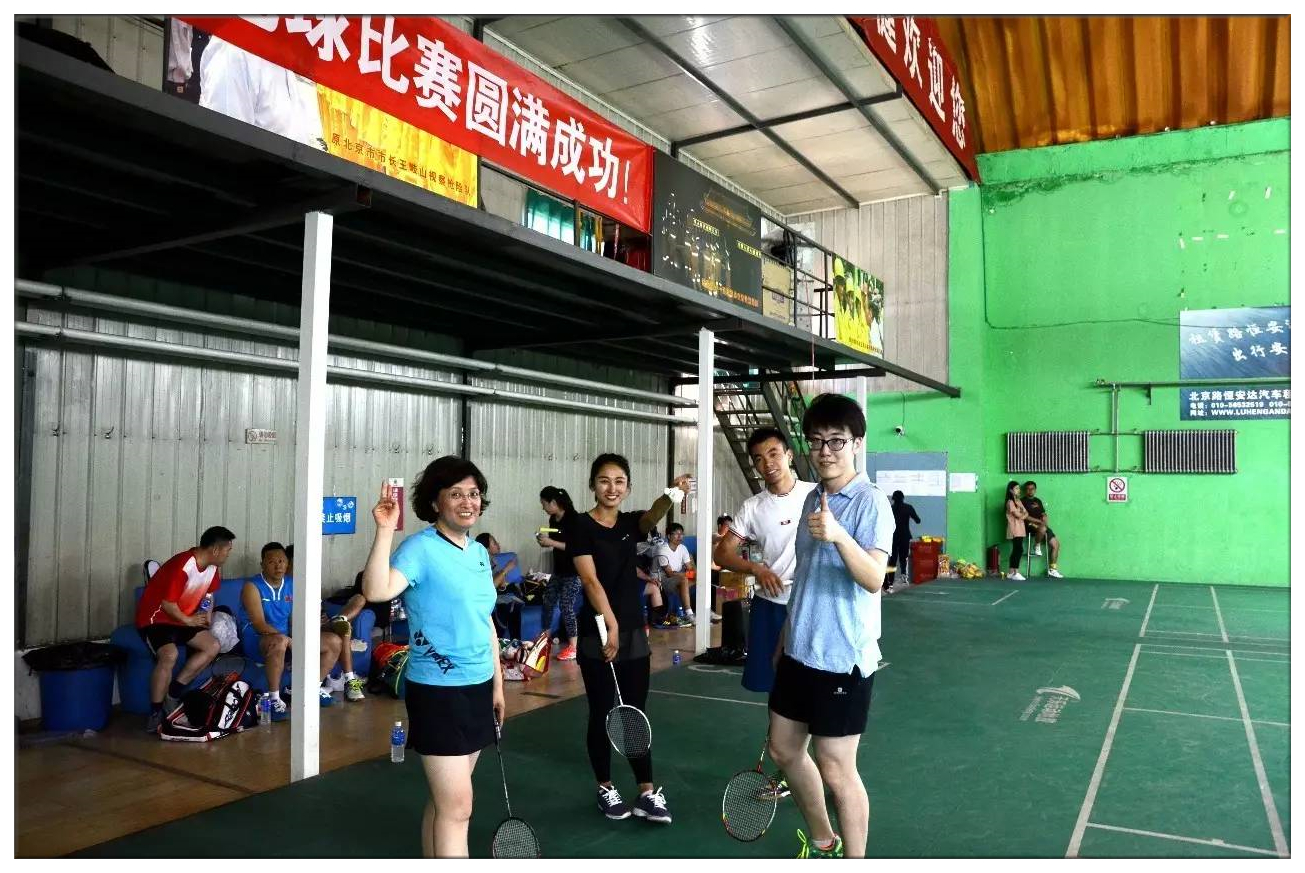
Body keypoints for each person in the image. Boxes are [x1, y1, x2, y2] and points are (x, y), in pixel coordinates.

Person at [766, 394, 893, 859]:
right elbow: (806, 575)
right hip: (800, 650)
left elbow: (874, 578)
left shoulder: (871, 502)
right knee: (783, 750)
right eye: (816, 441)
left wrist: (839, 535)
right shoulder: (811, 498)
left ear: (856, 443)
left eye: (836, 441)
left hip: (842, 658)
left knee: (837, 769)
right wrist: (786, 636)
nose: (825, 451)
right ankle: (824, 840)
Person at [362, 457, 504, 859]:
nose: (467, 502)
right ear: (435, 502)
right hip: (439, 692)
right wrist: (385, 530)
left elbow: (485, 622)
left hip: (478, 687)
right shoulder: (420, 549)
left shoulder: (478, 552)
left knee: (447, 804)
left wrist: (497, 685)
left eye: (473, 494)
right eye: (455, 494)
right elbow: (376, 590)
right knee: (458, 809)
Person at [570, 453, 690, 824]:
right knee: (602, 711)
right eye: (604, 480)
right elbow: (590, 580)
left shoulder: (629, 523)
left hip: (634, 631)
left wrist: (672, 493)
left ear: (628, 487)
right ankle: (605, 787)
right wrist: (610, 624)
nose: (612, 488)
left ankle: (646, 793)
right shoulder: (579, 526)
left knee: (635, 713)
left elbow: (652, 515)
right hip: (598, 629)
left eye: (619, 481)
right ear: (593, 485)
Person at [713, 426, 818, 801]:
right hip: (769, 609)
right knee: (776, 690)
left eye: (773, 454)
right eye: (758, 458)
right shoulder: (753, 508)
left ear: (788, 455)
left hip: (810, 608)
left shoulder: (816, 495)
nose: (767, 463)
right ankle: (788, 765)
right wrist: (756, 569)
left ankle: (806, 767)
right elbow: (722, 553)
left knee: (811, 688)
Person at [241, 542, 363, 715]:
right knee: (279, 641)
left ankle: (312, 689)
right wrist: (288, 640)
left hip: (287, 639)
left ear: (287, 563)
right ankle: (274, 699)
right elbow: (259, 624)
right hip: (258, 640)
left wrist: (302, 636)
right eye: (272, 562)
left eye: (282, 561)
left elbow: (296, 619)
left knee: (334, 641)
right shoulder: (252, 586)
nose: (278, 566)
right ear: (262, 564)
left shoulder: (293, 583)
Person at [135, 526, 234, 732]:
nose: (228, 555)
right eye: (227, 550)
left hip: (183, 619)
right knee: (169, 655)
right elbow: (168, 605)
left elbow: (208, 595)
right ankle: (155, 712)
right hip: (157, 619)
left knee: (212, 646)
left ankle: (173, 693)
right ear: (215, 550)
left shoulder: (212, 568)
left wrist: (206, 614)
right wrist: (189, 621)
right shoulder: (183, 565)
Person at [286, 543, 366, 694]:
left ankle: (341, 619)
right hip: (303, 630)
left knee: (359, 599)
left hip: (323, 625)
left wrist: (323, 619)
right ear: (288, 563)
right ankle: (350, 681)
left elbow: (320, 609)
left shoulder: (309, 582)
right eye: (299, 562)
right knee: (342, 633)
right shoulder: (284, 586)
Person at [536, 486, 582, 661]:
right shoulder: (553, 519)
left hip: (574, 572)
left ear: (554, 502)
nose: (543, 508)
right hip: (559, 570)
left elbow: (576, 547)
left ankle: (573, 647)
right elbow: (555, 541)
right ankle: (545, 638)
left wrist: (551, 542)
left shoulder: (574, 520)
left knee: (566, 606)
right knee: (548, 602)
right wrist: (544, 541)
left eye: (544, 504)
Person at [476, 533, 523, 642]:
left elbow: (500, 584)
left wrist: (503, 584)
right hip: (482, 598)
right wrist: (506, 569)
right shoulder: (480, 562)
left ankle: (514, 643)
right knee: (508, 605)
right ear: (486, 548)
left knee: (513, 603)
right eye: (494, 543)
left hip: (497, 595)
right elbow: (489, 587)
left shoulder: (493, 561)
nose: (498, 544)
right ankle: (500, 641)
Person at [653, 523, 697, 626]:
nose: (680, 536)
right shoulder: (662, 550)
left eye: (681, 534)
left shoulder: (683, 548)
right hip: (663, 580)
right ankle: (689, 614)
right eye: (677, 534)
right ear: (669, 536)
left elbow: (690, 568)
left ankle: (704, 610)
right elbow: (669, 573)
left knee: (700, 578)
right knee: (684, 580)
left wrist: (695, 575)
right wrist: (687, 575)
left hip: (677, 577)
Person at [1022, 481, 1065, 579]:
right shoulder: (1022, 501)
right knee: (1043, 528)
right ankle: (1036, 545)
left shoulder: (1038, 501)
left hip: (1042, 525)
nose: (1030, 491)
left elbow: (1042, 513)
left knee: (1056, 545)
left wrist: (1044, 516)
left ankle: (1053, 569)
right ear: (1025, 490)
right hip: (1029, 525)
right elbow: (1025, 517)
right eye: (1028, 489)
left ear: (1035, 490)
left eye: (1032, 489)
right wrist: (1039, 521)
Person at [887, 491, 921, 590]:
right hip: (905, 537)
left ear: (893, 498)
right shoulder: (908, 507)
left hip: (893, 537)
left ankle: (890, 582)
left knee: (892, 560)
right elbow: (918, 520)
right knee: (904, 558)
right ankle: (904, 578)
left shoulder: (890, 509)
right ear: (903, 498)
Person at [1005, 481, 1029, 581]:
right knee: (1018, 549)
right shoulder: (1010, 502)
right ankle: (1016, 572)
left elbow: (1026, 513)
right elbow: (1018, 515)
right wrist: (1023, 515)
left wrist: (1023, 515)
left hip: (1021, 528)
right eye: (1016, 488)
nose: (1019, 490)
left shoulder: (1018, 501)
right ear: (1011, 490)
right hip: (1014, 528)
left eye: (1019, 488)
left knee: (1017, 549)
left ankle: (1010, 572)